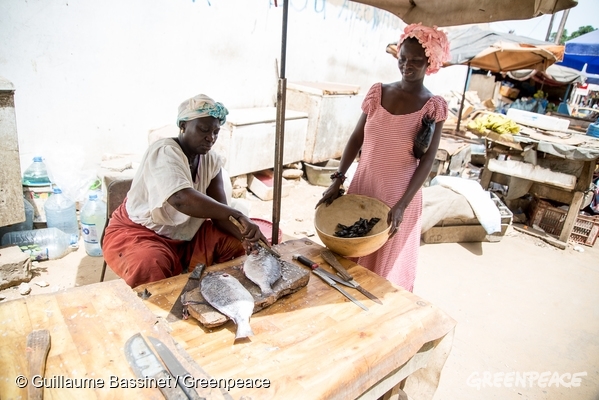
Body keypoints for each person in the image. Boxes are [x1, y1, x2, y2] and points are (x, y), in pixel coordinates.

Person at [316, 23, 451, 292]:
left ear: (430, 62)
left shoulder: (433, 106)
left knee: (382, 271)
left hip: (399, 196)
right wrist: (338, 179)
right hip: (364, 186)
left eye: (415, 60)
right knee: (350, 259)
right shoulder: (379, 92)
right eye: (403, 59)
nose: (406, 65)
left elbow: (427, 160)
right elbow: (357, 138)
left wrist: (402, 204)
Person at [103, 94, 269, 287]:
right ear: (183, 126)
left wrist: (245, 236)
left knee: (236, 245)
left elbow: (219, 214)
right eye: (203, 129)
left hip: (187, 235)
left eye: (216, 132)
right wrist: (237, 214)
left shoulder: (211, 160)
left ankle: (224, 295)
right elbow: (181, 198)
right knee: (150, 264)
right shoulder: (165, 151)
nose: (211, 138)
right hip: (141, 233)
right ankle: (160, 314)